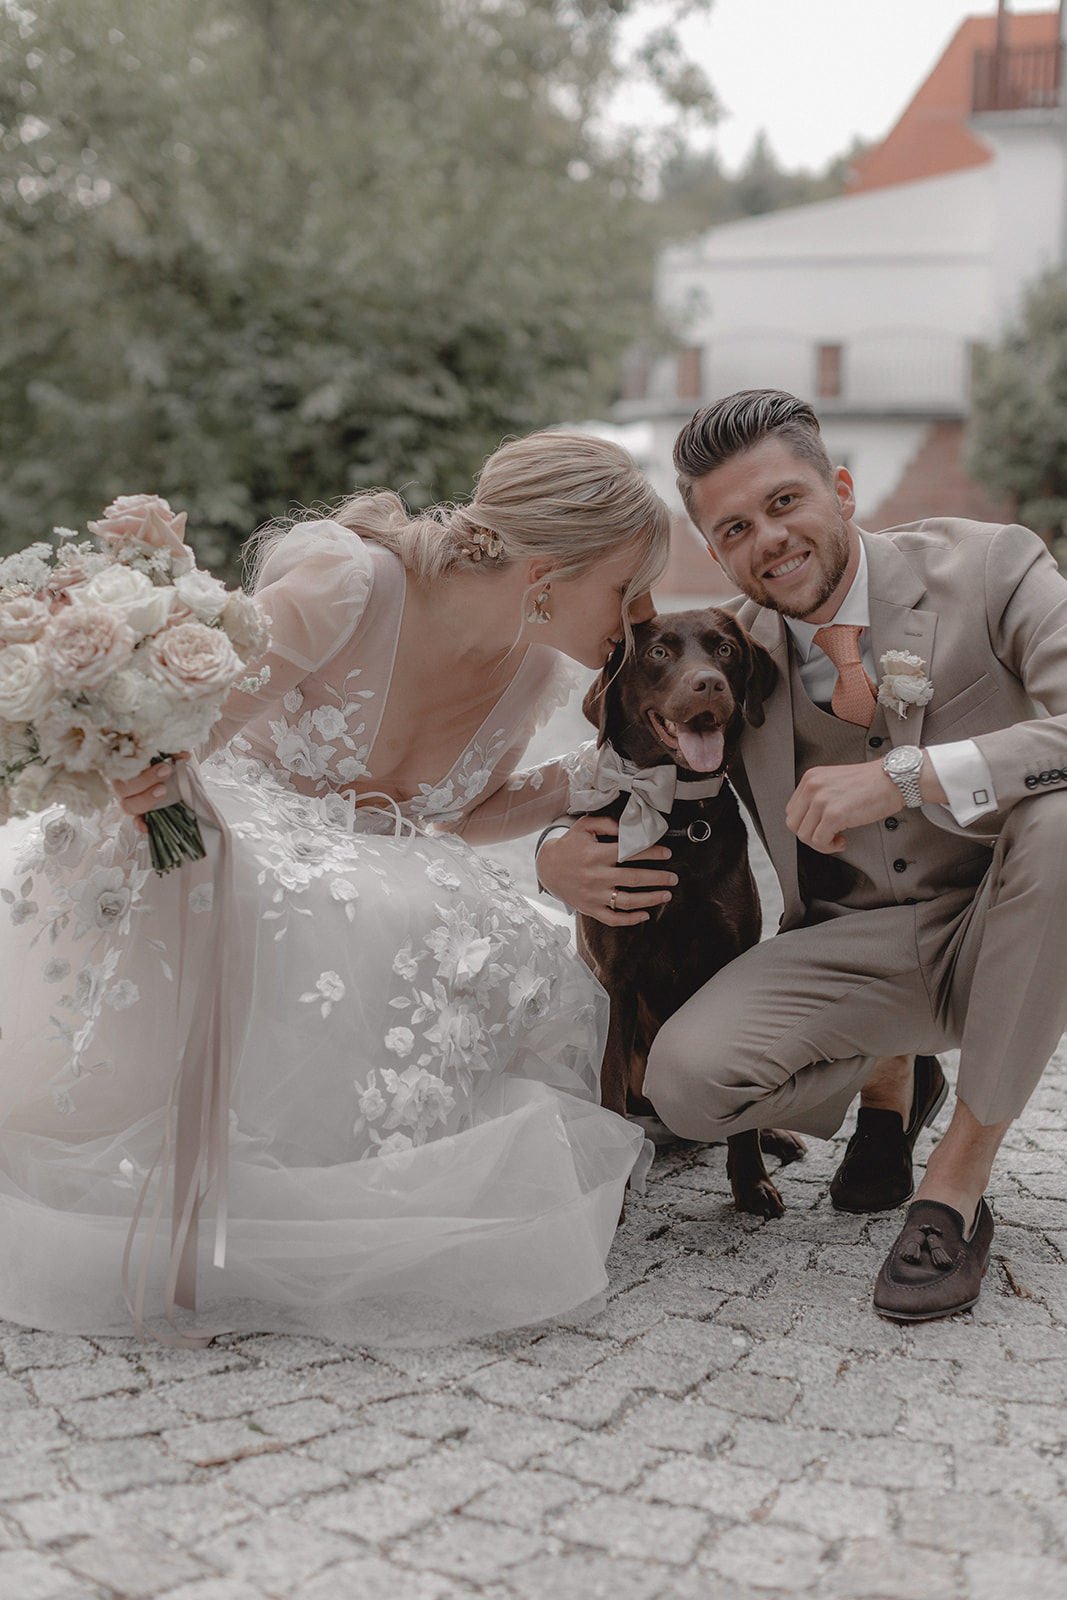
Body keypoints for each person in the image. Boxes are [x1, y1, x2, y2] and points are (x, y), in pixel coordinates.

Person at [0, 429, 675, 1347]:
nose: (641, 615)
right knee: (343, 903)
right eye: (627, 588)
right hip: (241, 823)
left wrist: (590, 779)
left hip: (384, 855)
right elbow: (184, 733)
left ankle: (351, 1176)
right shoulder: (350, 583)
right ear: (548, 573)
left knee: (495, 933)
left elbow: (460, 812)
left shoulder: (537, 667)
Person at [538, 389, 1067, 1323]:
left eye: (784, 502)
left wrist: (909, 774)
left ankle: (954, 1183)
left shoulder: (991, 565)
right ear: (716, 552)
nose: (769, 540)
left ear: (842, 491)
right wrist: (553, 853)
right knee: (686, 1085)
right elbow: (620, 760)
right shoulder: (731, 655)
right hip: (855, 949)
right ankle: (892, 1070)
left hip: (1010, 914)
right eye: (735, 528)